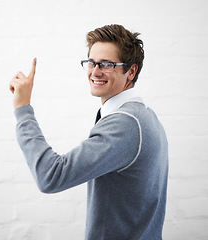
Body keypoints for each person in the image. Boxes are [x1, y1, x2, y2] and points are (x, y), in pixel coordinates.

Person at [9, 24, 168, 240]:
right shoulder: (144, 116)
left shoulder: (126, 124)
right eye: (91, 62)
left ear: (131, 71)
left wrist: (22, 108)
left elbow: (50, 176)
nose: (94, 72)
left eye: (107, 64)